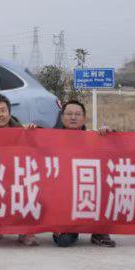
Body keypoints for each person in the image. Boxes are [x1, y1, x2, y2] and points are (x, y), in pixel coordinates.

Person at [50, 100, 116, 248]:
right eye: (69, 114)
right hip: (63, 199)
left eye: (77, 114)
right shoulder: (50, 138)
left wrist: (110, 134)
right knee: (64, 241)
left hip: (88, 191)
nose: (73, 117)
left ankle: (99, 231)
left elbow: (119, 150)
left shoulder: (95, 138)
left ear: (84, 118)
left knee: (107, 186)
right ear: (62, 117)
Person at [0, 94, 40, 245]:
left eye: (2, 110)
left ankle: (25, 231)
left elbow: (37, 154)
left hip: (17, 179)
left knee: (28, 190)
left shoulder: (22, 131)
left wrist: (32, 133)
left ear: (9, 113)